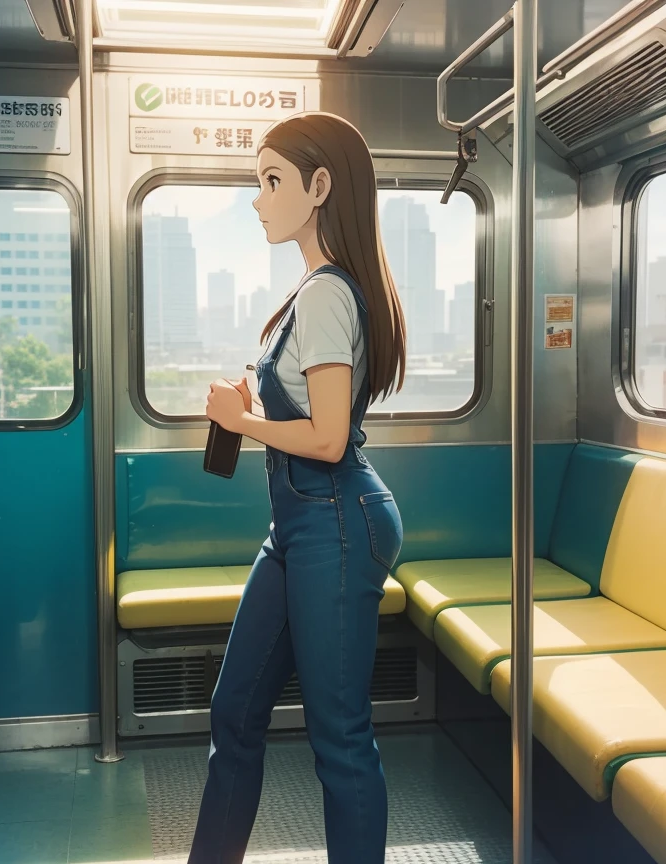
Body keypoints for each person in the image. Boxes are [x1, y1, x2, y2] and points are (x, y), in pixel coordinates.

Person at [192, 112, 408, 864]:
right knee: (235, 713)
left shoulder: (325, 295)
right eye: (258, 181)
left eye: (272, 180)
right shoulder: (314, 289)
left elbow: (328, 436)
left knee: (340, 738)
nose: (258, 199)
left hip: (337, 521)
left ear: (320, 187)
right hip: (298, 525)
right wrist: (252, 408)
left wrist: (241, 424)